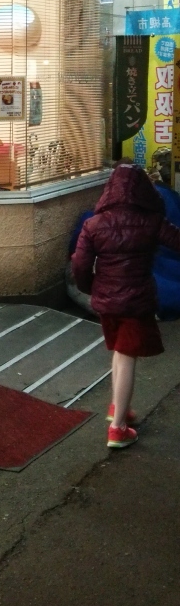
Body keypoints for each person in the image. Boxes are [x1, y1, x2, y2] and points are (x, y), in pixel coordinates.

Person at [71, 161, 180, 449]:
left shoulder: (94, 224)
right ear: (143, 190)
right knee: (127, 356)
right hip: (136, 301)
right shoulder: (151, 222)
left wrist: (91, 288)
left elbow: (80, 265)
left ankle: (118, 407)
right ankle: (118, 428)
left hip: (107, 303)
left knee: (120, 353)